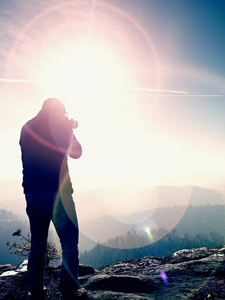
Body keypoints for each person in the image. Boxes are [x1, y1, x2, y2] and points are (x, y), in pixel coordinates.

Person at [19, 98, 83, 299]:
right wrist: (69, 129)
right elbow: (77, 153)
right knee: (70, 245)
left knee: (37, 246)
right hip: (58, 195)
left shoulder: (26, 127)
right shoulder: (61, 128)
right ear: (58, 112)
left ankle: (36, 292)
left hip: (32, 193)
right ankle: (69, 292)